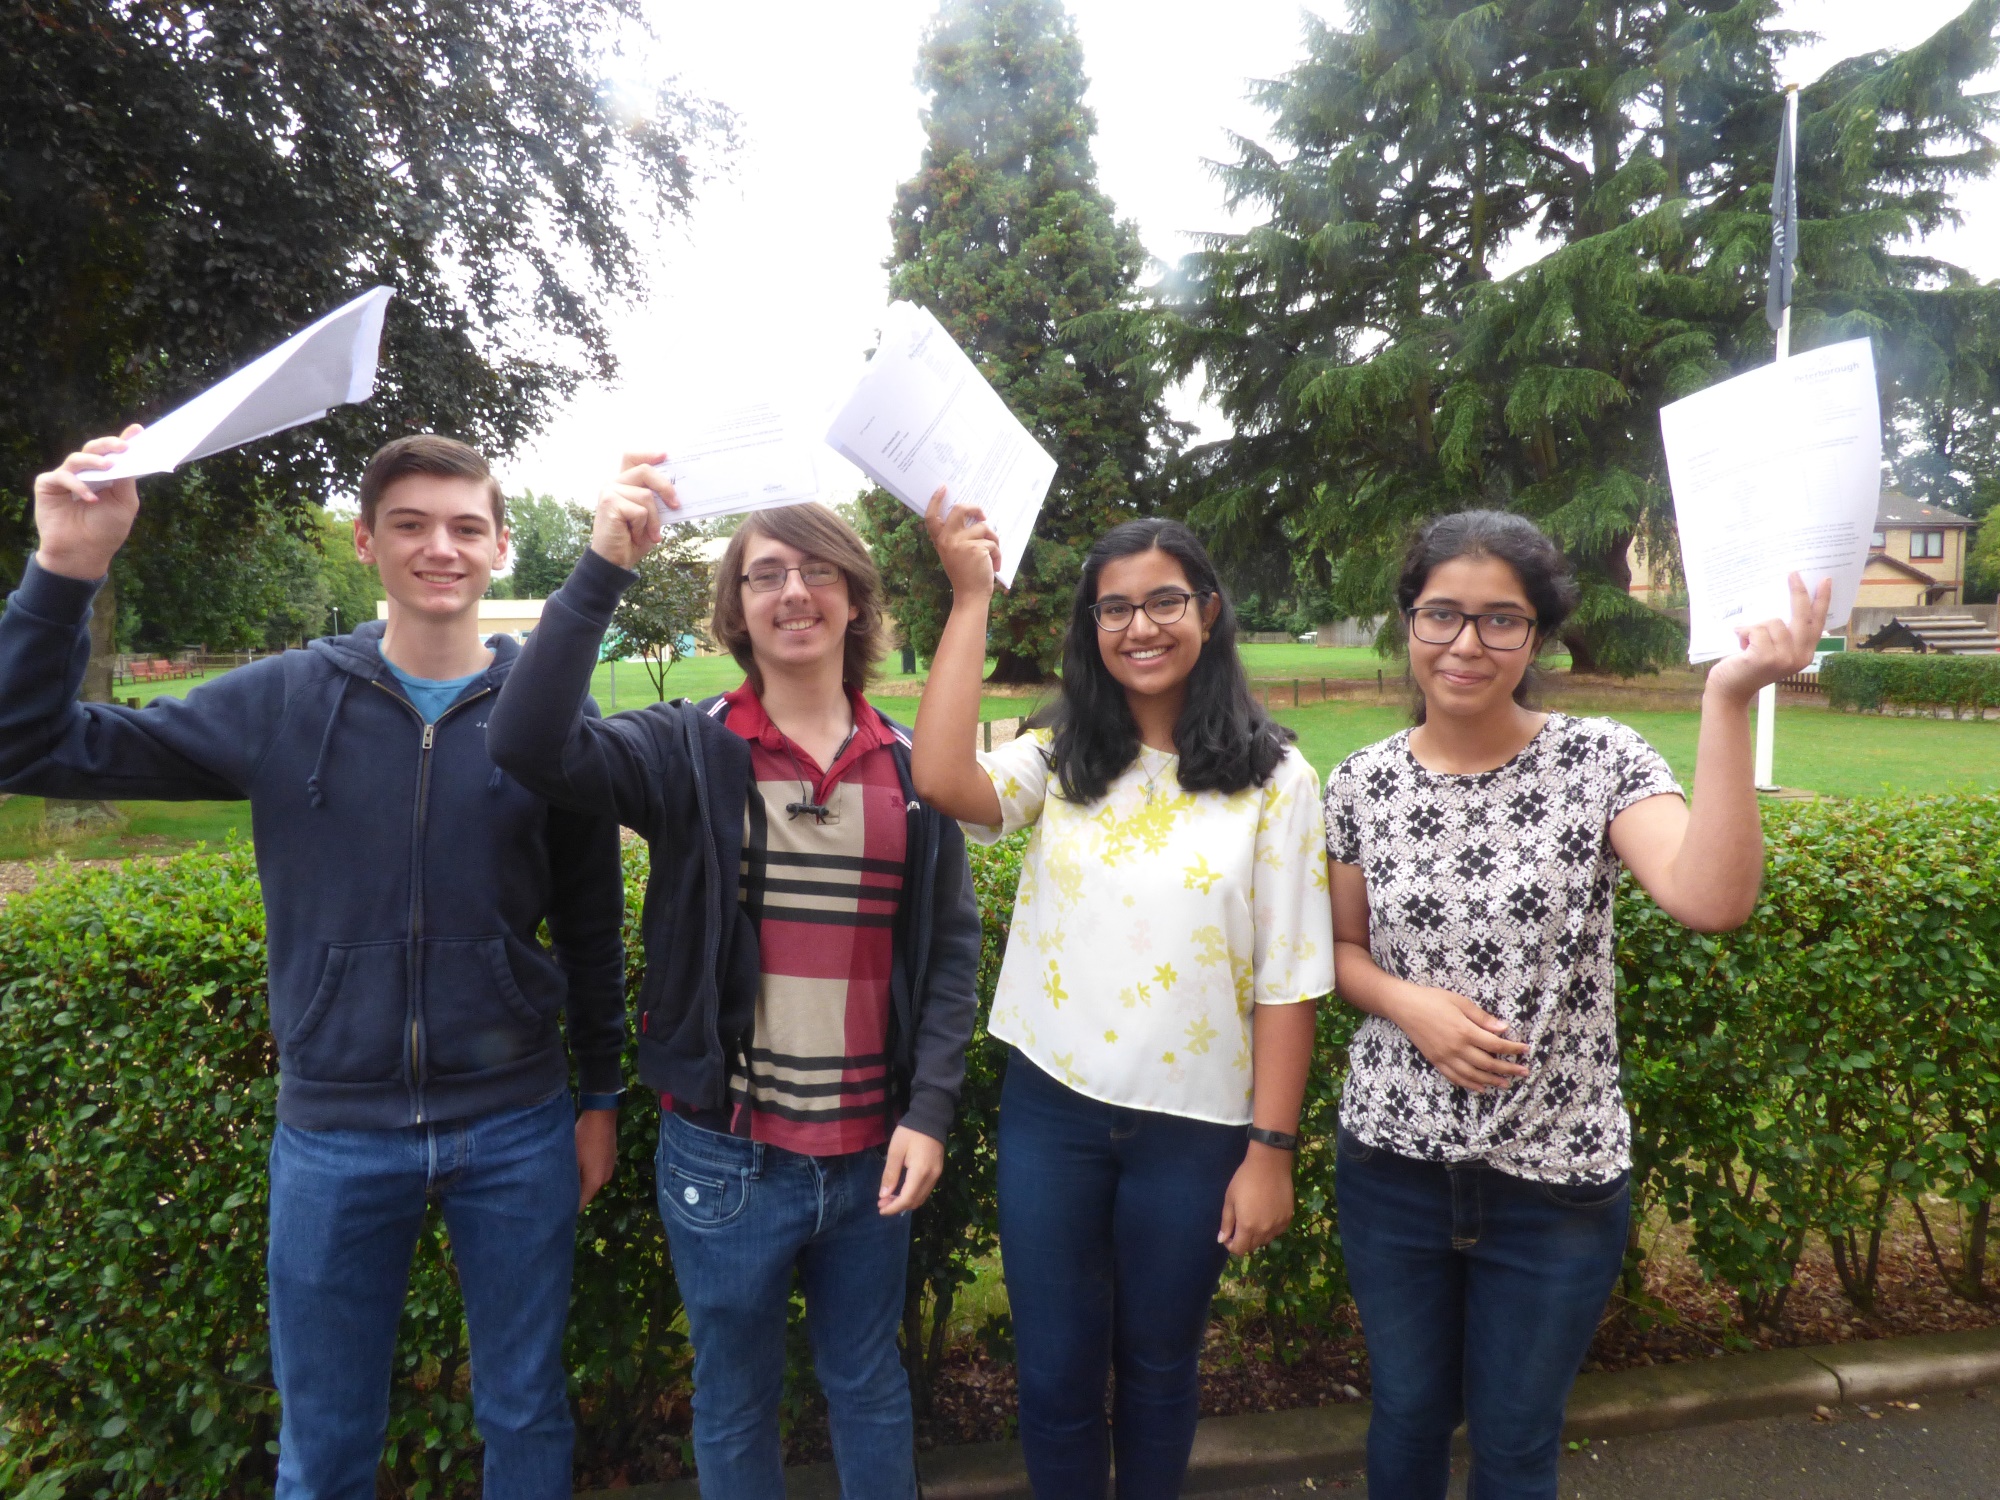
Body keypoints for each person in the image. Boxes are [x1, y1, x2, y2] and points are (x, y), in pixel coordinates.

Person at [0, 428, 629, 1499]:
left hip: (516, 1125)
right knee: (327, 1443)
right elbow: (29, 745)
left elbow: (588, 917)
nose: (441, 547)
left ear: (502, 548)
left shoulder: (552, 713)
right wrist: (69, 567)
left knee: (525, 1411)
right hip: (336, 1136)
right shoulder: (287, 699)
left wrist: (601, 1092)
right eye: (411, 525)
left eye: (465, 526)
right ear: (364, 543)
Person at [485, 458, 981, 1500]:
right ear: (736, 609)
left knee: (868, 1385)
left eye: (816, 572)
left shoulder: (911, 765)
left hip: (871, 1159)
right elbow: (528, 743)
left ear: (853, 600)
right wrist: (601, 565)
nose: (792, 592)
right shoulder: (686, 749)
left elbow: (947, 953)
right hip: (726, 1159)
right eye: (764, 575)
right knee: (733, 1398)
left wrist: (929, 1109)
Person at [1323, 510, 1830, 1500]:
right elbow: (1338, 951)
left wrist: (1726, 701)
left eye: (1499, 620)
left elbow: (1708, 896)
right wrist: (1408, 1005)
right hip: (1391, 1167)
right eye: (1441, 615)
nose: (1466, 644)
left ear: (1538, 635)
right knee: (1406, 1419)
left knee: (1515, 1444)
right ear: (1408, 623)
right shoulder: (1361, 784)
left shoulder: (1600, 759)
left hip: (1553, 1178)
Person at [910, 493, 1335, 1499]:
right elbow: (937, 778)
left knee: (1156, 1369)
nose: (1138, 627)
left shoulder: (1276, 780)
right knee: (1054, 1375)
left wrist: (1268, 1154)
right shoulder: (1062, 758)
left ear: (1210, 611)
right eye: (1113, 609)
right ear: (1089, 628)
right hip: (1053, 1111)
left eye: (1163, 602)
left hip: (1193, 1128)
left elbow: (1288, 980)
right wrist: (968, 596)